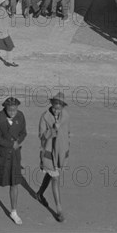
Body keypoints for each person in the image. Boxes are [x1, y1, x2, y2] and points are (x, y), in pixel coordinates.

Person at [0, 97, 27, 225]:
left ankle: (13, 212)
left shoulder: (21, 116)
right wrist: (10, 144)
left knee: (14, 183)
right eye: (10, 110)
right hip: (1, 154)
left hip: (15, 155)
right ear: (5, 108)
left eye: (15, 109)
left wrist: (18, 142)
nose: (13, 112)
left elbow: (24, 133)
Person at [36, 92, 71, 223]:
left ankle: (39, 194)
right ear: (51, 104)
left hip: (60, 153)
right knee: (55, 178)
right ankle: (59, 210)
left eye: (59, 108)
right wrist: (52, 130)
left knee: (51, 175)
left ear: (62, 107)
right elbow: (41, 135)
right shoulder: (45, 117)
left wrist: (66, 147)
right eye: (54, 107)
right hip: (49, 153)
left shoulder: (66, 116)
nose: (56, 110)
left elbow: (67, 132)